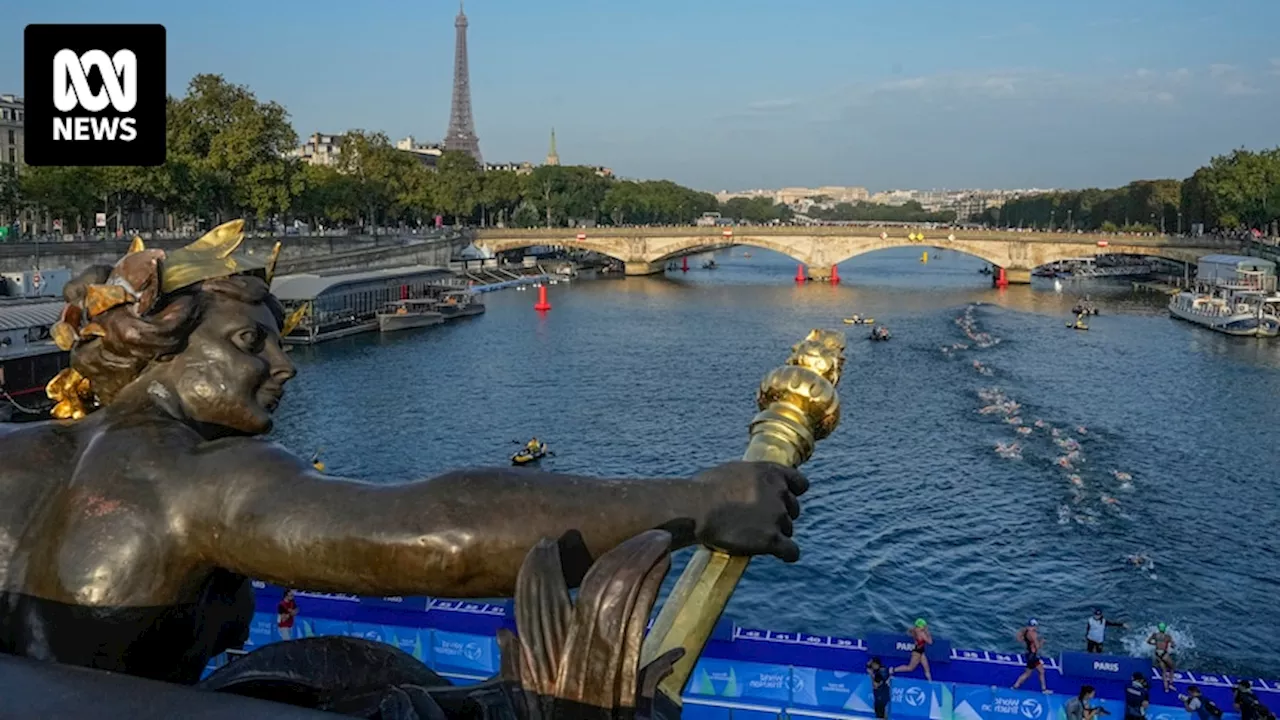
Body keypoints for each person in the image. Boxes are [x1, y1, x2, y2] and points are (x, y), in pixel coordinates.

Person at [0, 222, 809, 685]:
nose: (283, 366)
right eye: (252, 342)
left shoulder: (23, 454)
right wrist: (701, 503)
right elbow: (439, 533)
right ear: (162, 350)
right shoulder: (194, 478)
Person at [1012, 618, 1050, 693]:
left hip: (1029, 655)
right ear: (1034, 625)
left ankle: (1015, 686)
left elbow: (1018, 638)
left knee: (1035, 672)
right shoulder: (1033, 634)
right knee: (1034, 673)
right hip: (1033, 656)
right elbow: (1037, 647)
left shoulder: (1025, 631)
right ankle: (1015, 686)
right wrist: (1042, 642)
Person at [1148, 623, 1176, 692]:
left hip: (1157, 654)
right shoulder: (1167, 636)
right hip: (1164, 654)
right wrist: (1172, 645)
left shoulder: (1155, 635)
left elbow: (1148, 641)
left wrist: (1155, 644)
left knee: (1164, 671)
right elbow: (1173, 645)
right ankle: (1171, 684)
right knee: (1172, 667)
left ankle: (1166, 688)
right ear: (1165, 629)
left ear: (1158, 628)